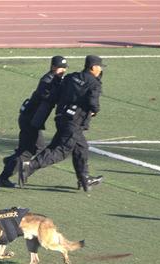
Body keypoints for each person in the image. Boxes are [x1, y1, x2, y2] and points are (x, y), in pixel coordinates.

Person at [20, 55, 105, 192]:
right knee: (62, 151)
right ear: (93, 67)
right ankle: (29, 166)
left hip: (62, 117)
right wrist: (94, 111)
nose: (100, 70)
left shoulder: (71, 77)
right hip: (75, 122)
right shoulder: (94, 83)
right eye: (99, 67)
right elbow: (93, 103)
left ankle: (84, 178)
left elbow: (58, 93)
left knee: (81, 147)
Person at [0, 56, 68, 188]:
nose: (62, 70)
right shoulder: (48, 80)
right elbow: (46, 96)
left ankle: (10, 161)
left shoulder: (56, 80)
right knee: (28, 151)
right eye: (60, 68)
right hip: (29, 119)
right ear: (53, 67)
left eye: (64, 68)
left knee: (36, 148)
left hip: (32, 120)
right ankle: (4, 176)